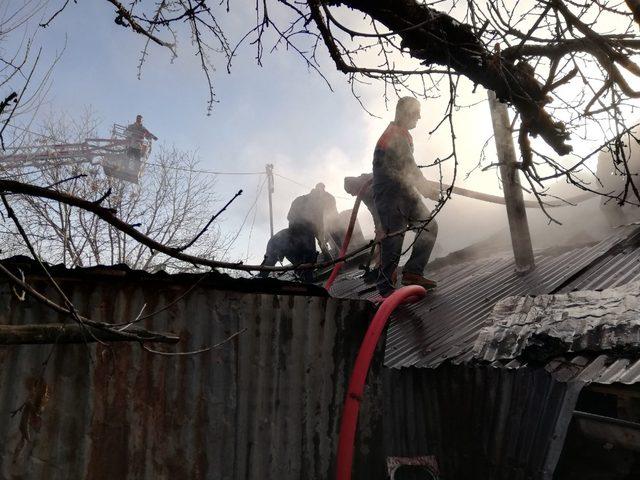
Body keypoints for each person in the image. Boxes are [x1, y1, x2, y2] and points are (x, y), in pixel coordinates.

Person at [372, 97, 440, 297]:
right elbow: (409, 167)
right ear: (403, 112)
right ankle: (385, 289)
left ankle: (412, 273)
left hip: (405, 191)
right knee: (394, 239)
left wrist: (423, 187)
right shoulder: (394, 136)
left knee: (429, 226)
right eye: (416, 112)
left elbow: (406, 171)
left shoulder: (402, 134)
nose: (419, 116)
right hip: (390, 195)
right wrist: (427, 189)